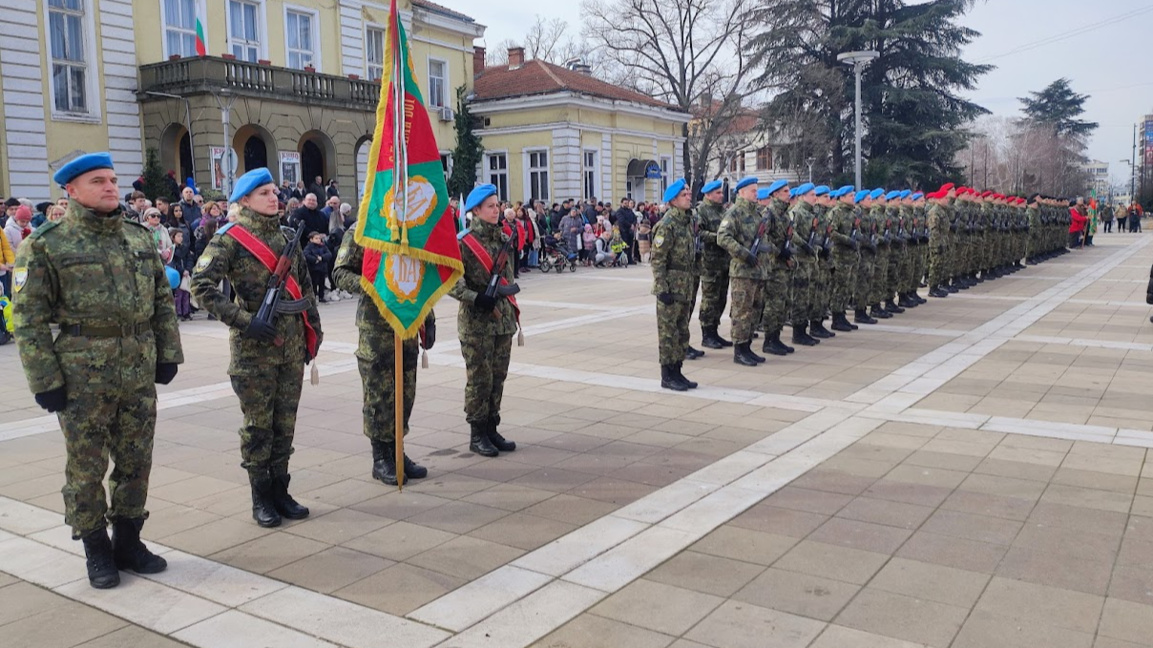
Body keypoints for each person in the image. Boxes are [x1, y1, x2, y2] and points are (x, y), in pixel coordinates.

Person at [12, 152, 183, 589]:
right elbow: (27, 319)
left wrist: (168, 354)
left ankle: (128, 541)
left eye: (112, 179)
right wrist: (45, 381)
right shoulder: (47, 244)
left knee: (135, 461)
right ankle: (95, 547)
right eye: (97, 181)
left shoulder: (138, 237)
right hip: (82, 374)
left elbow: (162, 301)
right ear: (70, 190)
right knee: (86, 468)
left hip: (138, 368)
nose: (110, 187)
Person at [190, 168, 323, 528]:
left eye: (274, 191)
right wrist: (244, 319)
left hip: (292, 346)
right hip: (254, 351)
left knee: (285, 425)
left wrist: (314, 331)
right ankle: (260, 496)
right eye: (263, 193)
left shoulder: (286, 237)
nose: (273, 197)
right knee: (258, 427)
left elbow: (305, 288)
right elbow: (200, 287)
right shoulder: (229, 239)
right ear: (244, 200)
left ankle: (281, 489)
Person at [332, 232, 432, 485]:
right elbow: (340, 274)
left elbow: (423, 276)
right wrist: (373, 283)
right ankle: (381, 458)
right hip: (376, 328)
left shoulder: (412, 230)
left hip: (407, 322)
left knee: (405, 393)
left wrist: (428, 317)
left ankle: (397, 451)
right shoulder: (362, 230)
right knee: (379, 395)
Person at [449, 184, 519, 457]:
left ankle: (492, 427)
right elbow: (452, 283)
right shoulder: (463, 241)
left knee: (497, 378)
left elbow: (508, 279)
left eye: (497, 204)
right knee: (480, 379)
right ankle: (477, 434)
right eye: (490, 206)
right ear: (475, 210)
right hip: (477, 323)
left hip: (502, 321)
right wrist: (476, 298)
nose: (496, 209)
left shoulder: (502, 237)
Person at [651, 179, 698, 391]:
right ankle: (667, 375)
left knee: (682, 331)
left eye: (688, 193)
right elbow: (658, 260)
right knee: (668, 333)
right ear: (673, 200)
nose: (688, 197)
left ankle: (678, 372)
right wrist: (662, 289)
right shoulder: (667, 225)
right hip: (670, 287)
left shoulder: (687, 222)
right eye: (684, 195)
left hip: (685, 286)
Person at [718, 176, 770, 366]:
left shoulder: (757, 214)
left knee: (755, 310)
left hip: (757, 270)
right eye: (753, 191)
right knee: (742, 311)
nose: (756, 194)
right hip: (742, 271)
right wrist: (743, 253)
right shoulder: (735, 213)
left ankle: (747, 347)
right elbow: (722, 237)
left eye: (757, 191)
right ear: (741, 192)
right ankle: (739, 350)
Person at [696, 180, 732, 349]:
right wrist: (718, 237)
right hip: (709, 262)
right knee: (710, 299)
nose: (721, 195)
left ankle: (714, 331)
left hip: (724, 262)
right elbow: (699, 233)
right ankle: (706, 334)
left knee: (721, 298)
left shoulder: (724, 211)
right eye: (717, 193)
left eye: (721, 192)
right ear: (708, 195)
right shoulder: (701, 211)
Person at [303, 231, 332, 303]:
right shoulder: (308, 247)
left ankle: (321, 297)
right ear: (311, 239)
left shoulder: (323, 246)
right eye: (316, 238)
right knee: (314, 283)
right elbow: (306, 255)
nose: (318, 240)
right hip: (313, 269)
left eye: (319, 238)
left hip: (322, 268)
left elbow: (329, 254)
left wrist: (322, 258)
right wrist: (314, 260)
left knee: (322, 283)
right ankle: (314, 297)